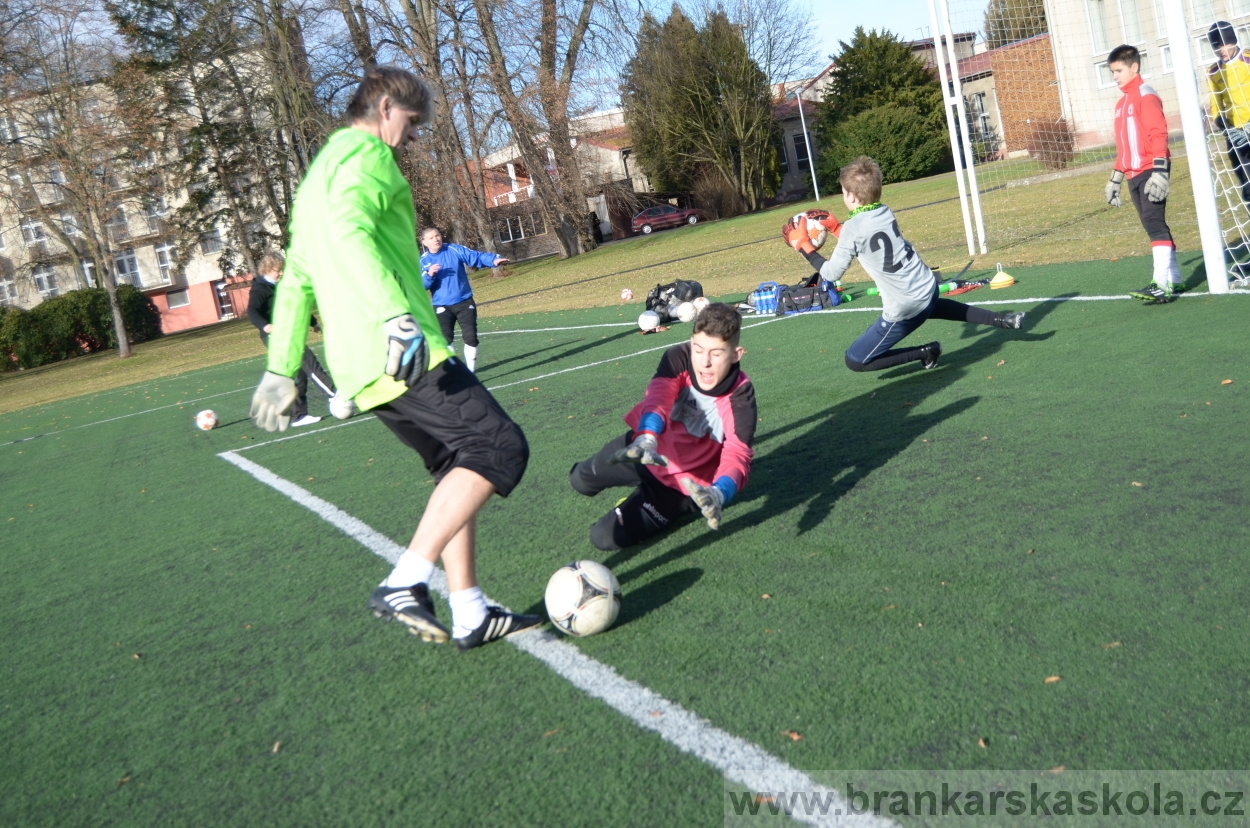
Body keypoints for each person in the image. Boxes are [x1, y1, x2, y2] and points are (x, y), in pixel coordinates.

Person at [248, 66, 540, 651]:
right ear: (384, 108)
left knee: (457, 464)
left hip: (360, 366)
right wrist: (395, 317)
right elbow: (354, 234)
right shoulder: (366, 156)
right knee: (499, 446)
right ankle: (406, 581)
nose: (410, 139)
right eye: (410, 124)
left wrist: (281, 368)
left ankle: (468, 609)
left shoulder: (313, 183)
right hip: (402, 348)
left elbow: (298, 278)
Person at [782, 156, 1025, 373]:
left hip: (905, 307)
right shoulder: (884, 212)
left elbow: (832, 272)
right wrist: (836, 228)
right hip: (928, 288)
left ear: (852, 196)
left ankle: (925, 351)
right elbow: (865, 240)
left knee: (855, 360)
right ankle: (1002, 320)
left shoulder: (854, 229)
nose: (843, 196)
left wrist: (804, 246)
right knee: (934, 306)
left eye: (843, 192)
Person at [569, 302, 756, 550]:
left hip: (682, 485)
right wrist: (647, 437)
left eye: (716, 353)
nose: (704, 363)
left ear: (736, 354)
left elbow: (737, 454)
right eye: (698, 349)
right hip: (645, 452)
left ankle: (643, 502)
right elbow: (658, 399)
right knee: (579, 480)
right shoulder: (678, 358)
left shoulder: (740, 397)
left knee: (603, 537)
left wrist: (719, 493)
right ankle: (637, 484)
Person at [1104, 44, 1182, 304]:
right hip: (1132, 174)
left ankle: (1160, 283)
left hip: (1152, 169)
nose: (1115, 76)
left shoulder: (1145, 94)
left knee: (1153, 223)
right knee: (1152, 223)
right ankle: (1175, 278)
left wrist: (1161, 171)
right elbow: (1124, 146)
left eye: (1118, 70)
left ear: (1134, 67)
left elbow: (1158, 133)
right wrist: (1115, 178)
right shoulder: (1120, 103)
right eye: (1112, 72)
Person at [246, 251, 351, 425]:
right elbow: (252, 312)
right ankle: (334, 394)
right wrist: (266, 325)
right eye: (278, 270)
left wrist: (313, 322)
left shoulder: (282, 286)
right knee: (307, 360)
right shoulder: (259, 289)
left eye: (282, 269)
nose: (281, 273)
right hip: (275, 336)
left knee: (298, 375)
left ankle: (299, 416)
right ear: (268, 269)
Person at [419, 228, 509, 372]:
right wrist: (429, 275)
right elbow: (421, 285)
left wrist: (493, 260)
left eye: (437, 235)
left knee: (471, 338)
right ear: (424, 242)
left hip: (464, 301)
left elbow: (475, 257)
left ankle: (470, 372)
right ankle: (455, 372)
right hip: (441, 306)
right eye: (431, 238)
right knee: (445, 340)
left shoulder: (454, 250)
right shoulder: (423, 261)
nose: (436, 239)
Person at [1207, 21, 1250, 204]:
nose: (1221, 50)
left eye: (1224, 44)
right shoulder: (1213, 71)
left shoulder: (1248, 59)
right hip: (1236, 135)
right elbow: (1216, 105)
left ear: (1233, 41)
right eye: (1216, 47)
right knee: (1247, 186)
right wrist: (1224, 126)